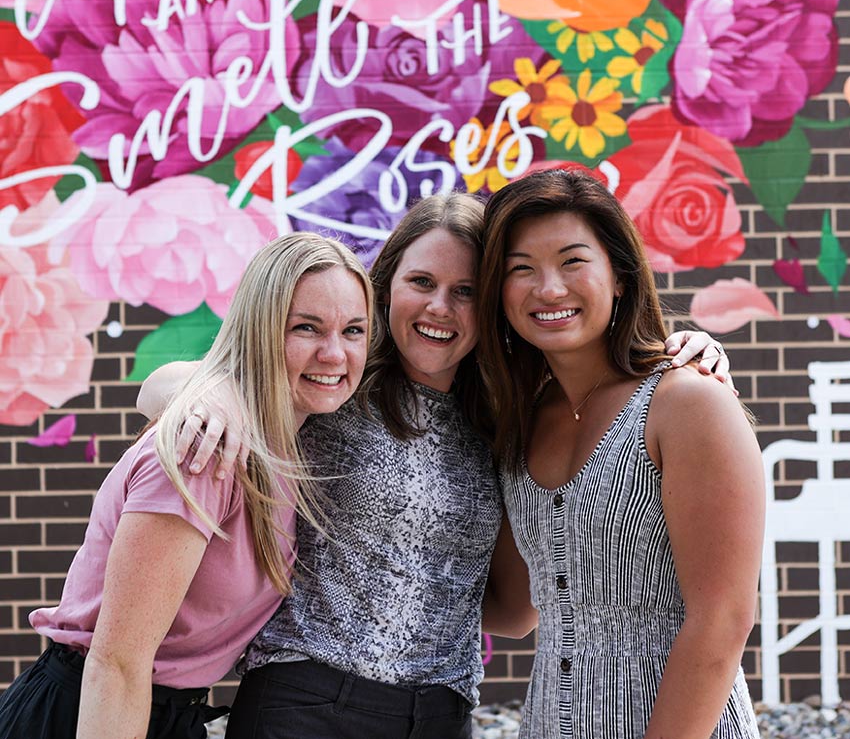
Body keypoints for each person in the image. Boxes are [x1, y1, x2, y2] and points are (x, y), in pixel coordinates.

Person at [136, 194, 731, 739]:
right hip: (305, 700)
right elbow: (162, 386)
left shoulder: (505, 418)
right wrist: (211, 395)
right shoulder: (336, 381)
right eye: (421, 281)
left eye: (466, 290)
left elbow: (514, 611)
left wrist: (690, 352)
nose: (440, 307)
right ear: (386, 286)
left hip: (440, 714)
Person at [0, 233, 372, 739]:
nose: (334, 353)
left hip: (168, 714)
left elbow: (164, 384)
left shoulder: (295, 443)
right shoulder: (205, 451)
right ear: (260, 332)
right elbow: (118, 663)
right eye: (306, 328)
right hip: (96, 710)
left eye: (354, 330)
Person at [477, 166, 764, 739]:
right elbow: (513, 611)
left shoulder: (685, 402)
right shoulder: (521, 425)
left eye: (573, 261)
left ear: (621, 276)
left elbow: (723, 622)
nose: (549, 288)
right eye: (521, 270)